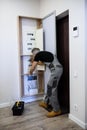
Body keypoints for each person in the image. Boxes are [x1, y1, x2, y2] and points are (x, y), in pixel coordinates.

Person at [29, 48, 63, 117]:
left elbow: (32, 68)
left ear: (34, 53)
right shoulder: (43, 54)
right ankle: (45, 102)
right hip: (56, 70)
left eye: (33, 55)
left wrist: (30, 72)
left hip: (56, 71)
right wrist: (35, 62)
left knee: (51, 89)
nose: (33, 56)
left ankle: (57, 110)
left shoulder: (38, 55)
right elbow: (41, 63)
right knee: (49, 86)